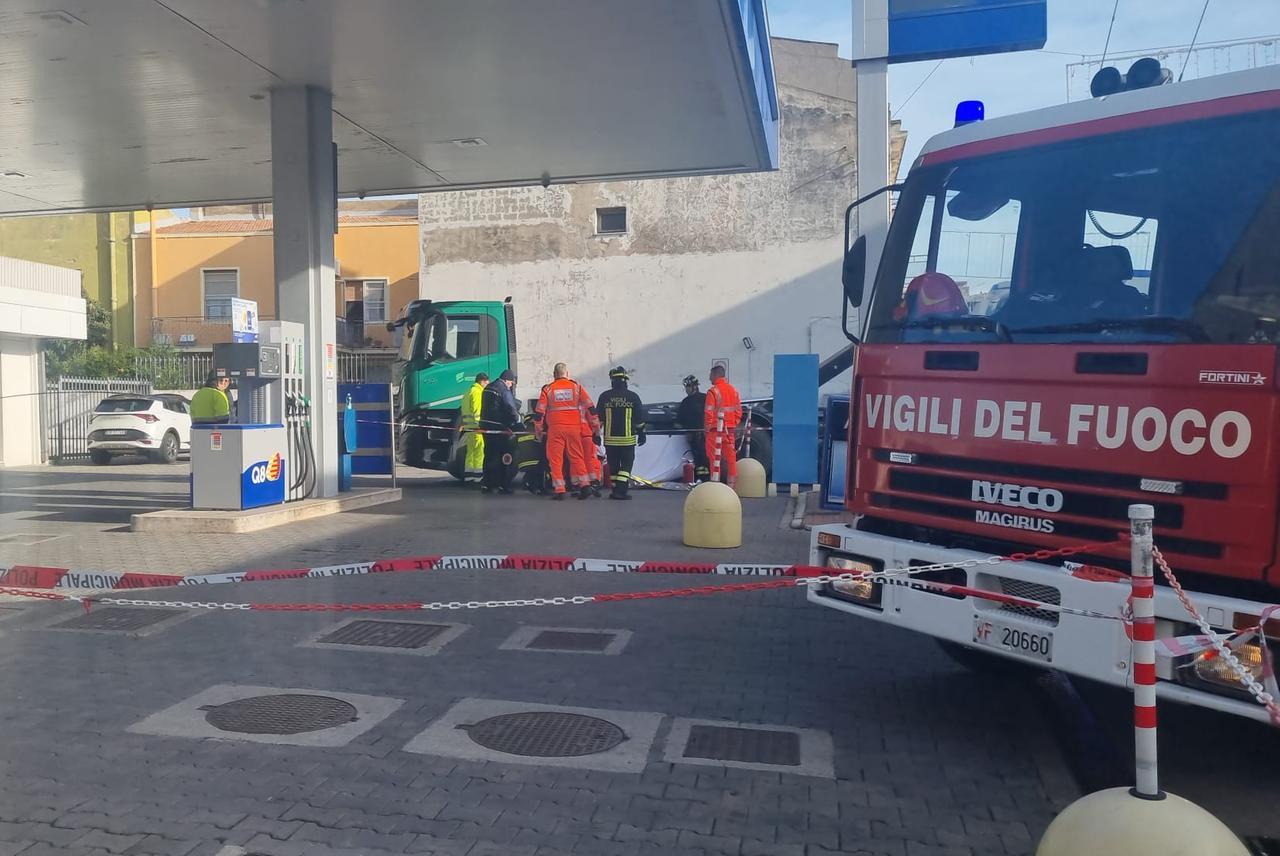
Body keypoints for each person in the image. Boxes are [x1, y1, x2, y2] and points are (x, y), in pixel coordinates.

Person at [535, 362, 594, 500]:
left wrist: (539, 430)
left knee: (555, 459)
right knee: (577, 457)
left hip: (555, 429)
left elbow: (539, 412)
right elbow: (590, 407)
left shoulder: (548, 390)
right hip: (574, 428)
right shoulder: (577, 387)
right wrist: (595, 427)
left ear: (554, 374)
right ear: (567, 374)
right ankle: (585, 485)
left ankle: (560, 489)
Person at [596, 366, 646, 500]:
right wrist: (642, 433)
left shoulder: (604, 397)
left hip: (610, 439)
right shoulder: (633, 397)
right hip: (627, 440)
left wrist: (596, 435)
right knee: (626, 464)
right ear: (625, 380)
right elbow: (640, 418)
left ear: (612, 380)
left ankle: (615, 490)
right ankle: (621, 491)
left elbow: (598, 420)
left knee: (613, 465)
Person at [479, 370, 520, 494]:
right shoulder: (503, 389)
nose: (511, 385)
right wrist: (518, 419)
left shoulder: (488, 388)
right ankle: (503, 485)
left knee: (489, 455)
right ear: (507, 380)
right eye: (511, 383)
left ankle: (487, 484)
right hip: (499, 428)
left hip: (486, 426)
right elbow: (510, 407)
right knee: (504, 456)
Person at [704, 364, 742, 487]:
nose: (709, 378)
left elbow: (708, 412)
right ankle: (732, 487)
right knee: (731, 460)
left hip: (715, 431)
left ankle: (716, 486)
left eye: (710, 375)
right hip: (729, 431)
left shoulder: (713, 391)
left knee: (714, 460)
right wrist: (732, 423)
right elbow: (738, 411)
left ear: (715, 375)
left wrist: (707, 428)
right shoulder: (733, 391)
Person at [676, 374, 709, 481]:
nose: (686, 390)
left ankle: (701, 478)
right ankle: (705, 478)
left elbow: (679, 420)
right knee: (703, 457)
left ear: (693, 386)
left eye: (687, 387)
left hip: (696, 435)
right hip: (704, 434)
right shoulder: (706, 398)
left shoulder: (686, 402)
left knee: (700, 458)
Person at [460, 372, 489, 479]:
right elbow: (477, 411)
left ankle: (468, 476)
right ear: (481, 381)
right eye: (486, 381)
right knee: (479, 452)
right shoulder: (478, 392)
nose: (487, 383)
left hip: (469, 427)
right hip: (477, 428)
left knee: (470, 453)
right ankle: (478, 477)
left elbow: (464, 409)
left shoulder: (468, 392)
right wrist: (480, 425)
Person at [579, 383, 604, 496]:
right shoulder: (586, 404)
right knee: (591, 459)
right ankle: (594, 482)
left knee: (577, 460)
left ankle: (582, 484)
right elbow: (594, 418)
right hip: (587, 434)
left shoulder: (568, 405)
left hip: (574, 435)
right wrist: (597, 433)